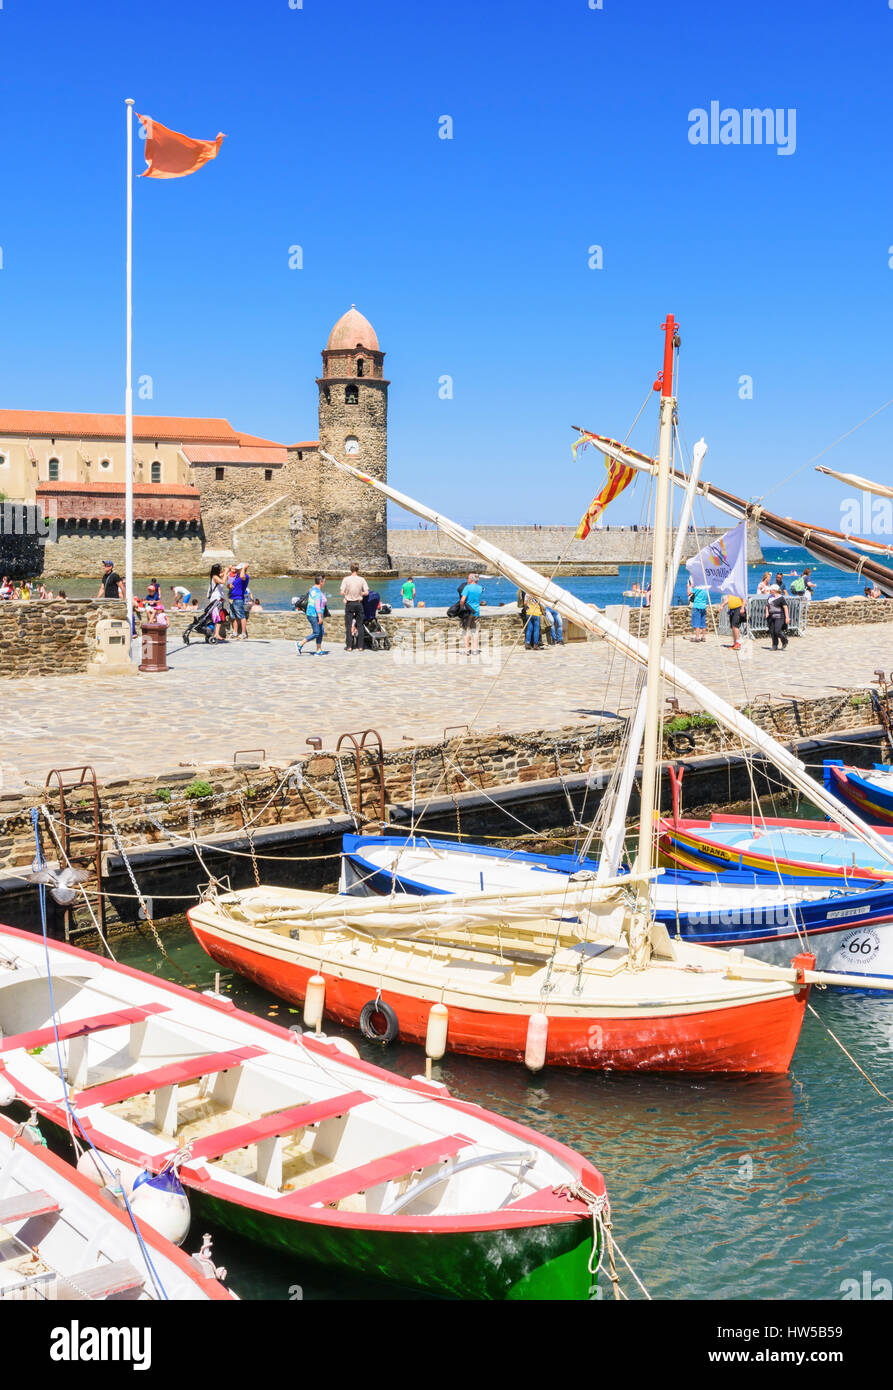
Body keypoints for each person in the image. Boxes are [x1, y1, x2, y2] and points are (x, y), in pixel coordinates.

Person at [340, 563, 368, 651]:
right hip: (359, 603)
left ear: (350, 570)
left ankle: (349, 646)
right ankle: (360, 646)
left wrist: (347, 594)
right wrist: (360, 593)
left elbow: (341, 592)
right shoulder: (362, 579)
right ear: (358, 570)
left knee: (348, 626)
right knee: (360, 625)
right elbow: (366, 592)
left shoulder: (346, 579)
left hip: (349, 604)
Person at [298, 575, 328, 655]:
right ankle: (300, 643)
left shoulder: (313, 589)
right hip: (314, 615)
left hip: (313, 614)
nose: (325, 582)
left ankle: (318, 650)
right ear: (321, 582)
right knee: (316, 632)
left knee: (321, 631)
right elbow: (317, 605)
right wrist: (319, 616)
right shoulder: (317, 592)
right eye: (324, 581)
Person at [458, 572, 483, 655]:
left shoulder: (467, 587)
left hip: (467, 611)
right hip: (476, 611)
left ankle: (467, 650)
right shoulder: (480, 588)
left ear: (471, 579)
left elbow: (462, 600)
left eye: (468, 578)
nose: (467, 579)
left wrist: (461, 607)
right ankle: (475, 650)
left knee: (466, 630)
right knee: (475, 630)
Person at [207, 564, 228, 643]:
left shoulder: (217, 576)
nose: (221, 569)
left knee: (219, 615)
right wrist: (226, 572)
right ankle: (216, 634)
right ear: (217, 569)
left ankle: (216, 633)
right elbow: (223, 581)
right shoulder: (215, 577)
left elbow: (223, 574)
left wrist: (228, 570)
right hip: (216, 599)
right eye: (220, 568)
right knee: (218, 616)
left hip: (218, 599)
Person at [229, 564, 250, 639]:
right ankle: (235, 632)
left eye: (239, 569)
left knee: (241, 616)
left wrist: (244, 568)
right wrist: (229, 586)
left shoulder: (245, 576)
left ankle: (243, 634)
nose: (237, 570)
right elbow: (230, 585)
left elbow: (242, 576)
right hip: (232, 598)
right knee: (233, 616)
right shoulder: (236, 576)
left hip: (239, 598)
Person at [766, 583, 789, 650]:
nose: (770, 591)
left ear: (774, 590)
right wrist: (767, 612)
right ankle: (774, 645)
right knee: (772, 631)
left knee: (777, 630)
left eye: (771, 590)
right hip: (771, 616)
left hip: (779, 616)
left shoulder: (781, 598)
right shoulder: (769, 597)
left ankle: (784, 640)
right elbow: (767, 606)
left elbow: (785, 607)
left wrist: (787, 617)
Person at [688, 577, 709, 641]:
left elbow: (688, 593)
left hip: (697, 606)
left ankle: (697, 637)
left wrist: (689, 586)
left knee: (697, 623)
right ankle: (703, 637)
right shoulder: (706, 589)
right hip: (703, 607)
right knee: (703, 623)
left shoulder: (697, 588)